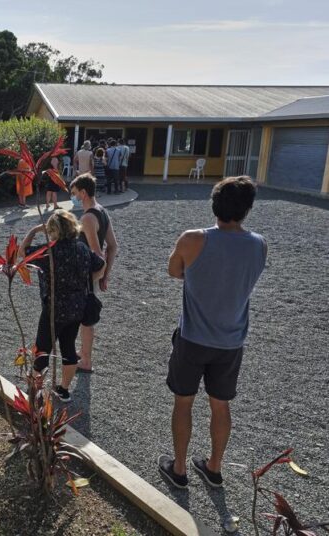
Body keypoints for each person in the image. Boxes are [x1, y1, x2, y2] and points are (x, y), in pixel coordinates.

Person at [158, 176, 266, 490]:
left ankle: (179, 469)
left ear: (214, 205)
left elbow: (173, 271)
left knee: (184, 401)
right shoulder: (259, 244)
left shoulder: (192, 239)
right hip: (231, 341)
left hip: (193, 338)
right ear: (247, 209)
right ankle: (214, 467)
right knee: (221, 404)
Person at [20, 210, 106, 402]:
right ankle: (64, 389)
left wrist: (34, 231)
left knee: (42, 348)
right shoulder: (82, 248)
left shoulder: (48, 251)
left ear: (53, 230)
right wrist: (88, 280)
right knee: (68, 347)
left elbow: (21, 252)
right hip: (76, 307)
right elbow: (100, 263)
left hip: (53, 309)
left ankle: (36, 390)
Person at [70, 174, 119, 373]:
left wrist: (95, 276)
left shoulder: (88, 217)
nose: (73, 198)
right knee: (86, 316)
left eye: (74, 194)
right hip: (95, 275)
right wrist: (105, 275)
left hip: (86, 275)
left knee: (85, 318)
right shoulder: (102, 212)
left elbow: (97, 253)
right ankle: (84, 353)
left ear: (83, 193)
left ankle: (86, 360)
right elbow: (113, 247)